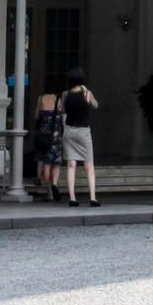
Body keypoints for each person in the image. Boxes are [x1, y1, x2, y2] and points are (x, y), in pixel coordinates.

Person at [59, 67, 99, 207]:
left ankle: (72, 198)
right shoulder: (87, 93)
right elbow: (95, 105)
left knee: (71, 164)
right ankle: (93, 198)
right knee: (89, 165)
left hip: (70, 130)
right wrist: (86, 90)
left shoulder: (65, 94)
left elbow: (63, 111)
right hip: (83, 131)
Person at [30, 91, 64, 200]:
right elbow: (63, 120)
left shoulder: (41, 98)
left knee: (46, 165)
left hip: (43, 137)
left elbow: (36, 116)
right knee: (56, 164)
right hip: (56, 136)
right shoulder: (59, 100)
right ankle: (54, 184)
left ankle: (50, 192)